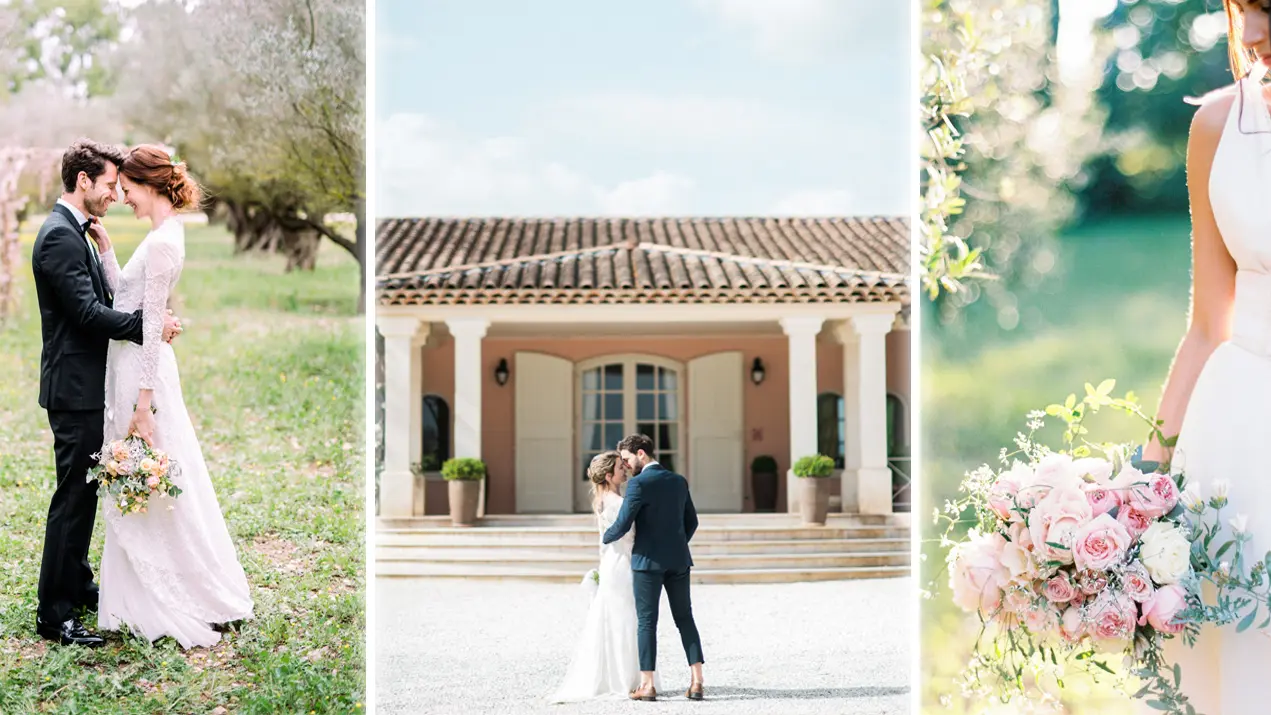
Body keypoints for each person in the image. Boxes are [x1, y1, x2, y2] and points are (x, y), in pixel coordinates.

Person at [1141, 1, 1271, 710]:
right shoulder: (1217, 125)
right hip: (1240, 432)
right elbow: (1206, 323)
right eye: (1242, 8)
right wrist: (1143, 477)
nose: (1249, 35)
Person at [96, 144, 253, 649]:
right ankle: (137, 588)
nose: (123, 199)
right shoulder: (161, 235)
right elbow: (134, 304)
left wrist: (144, 405)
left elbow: (147, 330)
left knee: (152, 471)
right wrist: (106, 253)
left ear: (149, 184)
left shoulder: (164, 242)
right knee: (143, 472)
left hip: (144, 375)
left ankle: (174, 590)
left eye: (127, 190)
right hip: (129, 365)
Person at [31, 139, 183, 647]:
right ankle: (53, 615)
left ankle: (76, 584)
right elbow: (89, 315)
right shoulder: (57, 237)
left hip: (87, 385)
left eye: (122, 185)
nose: (115, 194)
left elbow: (105, 296)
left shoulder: (78, 234)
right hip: (72, 388)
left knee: (85, 493)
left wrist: (149, 318)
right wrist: (150, 324)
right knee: (72, 498)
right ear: (83, 182)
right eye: (110, 184)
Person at [550, 451, 661, 701]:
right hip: (623, 564)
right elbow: (628, 533)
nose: (626, 470)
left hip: (612, 562)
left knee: (619, 619)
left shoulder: (603, 499)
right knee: (627, 620)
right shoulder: (618, 502)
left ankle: (624, 677)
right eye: (621, 468)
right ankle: (627, 679)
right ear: (609, 476)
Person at [602, 433, 704, 702]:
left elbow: (623, 524)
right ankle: (697, 681)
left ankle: (647, 685)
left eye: (626, 459)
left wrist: (605, 536)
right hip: (679, 560)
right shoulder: (679, 481)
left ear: (641, 454)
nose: (625, 465)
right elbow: (692, 522)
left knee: (647, 622)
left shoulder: (638, 485)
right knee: (685, 618)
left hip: (647, 563)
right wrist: (676, 544)